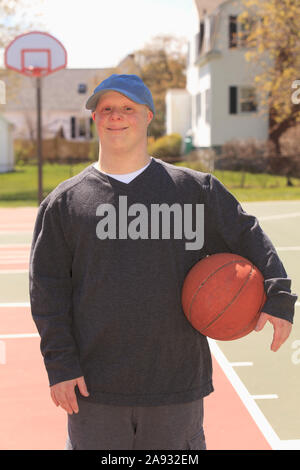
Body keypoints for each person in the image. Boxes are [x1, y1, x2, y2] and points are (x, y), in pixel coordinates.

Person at [29, 74, 297, 451]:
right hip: (94, 387)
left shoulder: (193, 190)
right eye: (107, 109)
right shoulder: (65, 203)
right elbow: (48, 290)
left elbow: (248, 235)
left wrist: (280, 297)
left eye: (128, 108)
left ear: (148, 116)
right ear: (95, 119)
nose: (116, 116)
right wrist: (60, 366)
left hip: (175, 384)